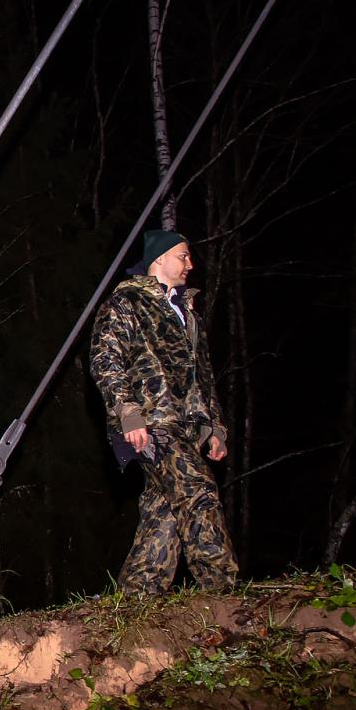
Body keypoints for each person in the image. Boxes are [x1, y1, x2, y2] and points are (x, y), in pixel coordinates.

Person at [89, 229, 237, 595]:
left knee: (164, 514)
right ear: (159, 259)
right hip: (154, 423)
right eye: (183, 256)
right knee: (198, 491)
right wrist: (129, 413)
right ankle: (222, 592)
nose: (191, 264)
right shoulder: (126, 304)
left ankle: (136, 596)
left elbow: (202, 377)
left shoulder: (186, 314)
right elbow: (105, 360)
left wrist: (214, 427)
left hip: (186, 426)